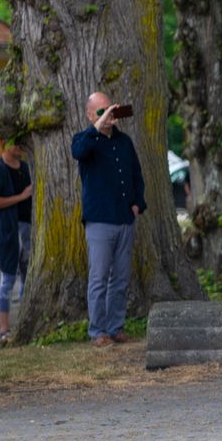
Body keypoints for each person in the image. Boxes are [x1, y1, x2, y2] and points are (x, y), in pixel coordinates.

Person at [71, 92, 147, 348]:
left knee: (121, 279)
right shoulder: (85, 140)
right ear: (90, 115)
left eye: (109, 111)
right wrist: (97, 127)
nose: (108, 116)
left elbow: (136, 174)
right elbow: (78, 152)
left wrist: (137, 203)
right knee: (99, 278)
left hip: (125, 218)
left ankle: (115, 328)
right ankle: (98, 331)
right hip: (100, 221)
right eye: (101, 111)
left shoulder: (124, 142)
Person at [0, 139, 32, 344]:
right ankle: (4, 329)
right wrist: (21, 196)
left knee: (28, 276)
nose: (19, 146)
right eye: (15, 142)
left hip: (28, 227)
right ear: (3, 143)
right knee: (8, 279)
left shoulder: (25, 167)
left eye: (21, 142)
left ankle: (25, 322)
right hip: (8, 230)